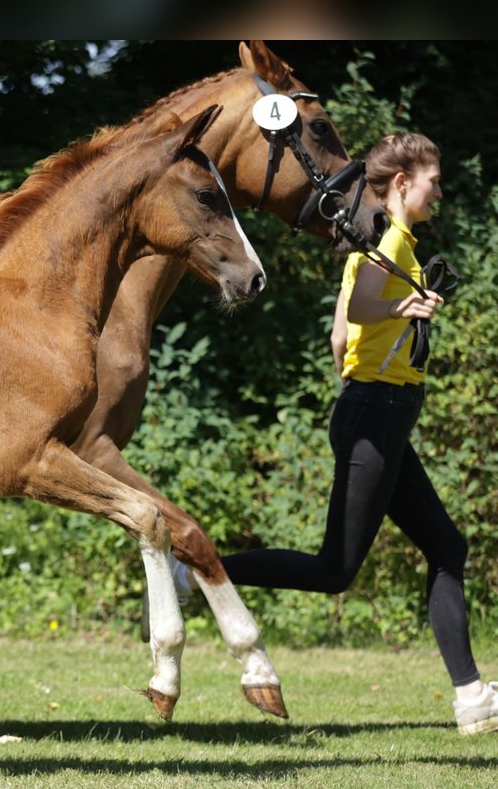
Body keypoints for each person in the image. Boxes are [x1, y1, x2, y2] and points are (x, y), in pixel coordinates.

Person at [212, 132, 495, 735]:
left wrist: (389, 332)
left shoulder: (369, 247)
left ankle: (472, 696)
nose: (439, 190)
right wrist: (404, 310)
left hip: (374, 412)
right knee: (335, 569)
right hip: (377, 414)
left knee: (447, 549)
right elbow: (367, 309)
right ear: (401, 184)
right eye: (433, 180)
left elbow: (340, 339)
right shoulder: (390, 241)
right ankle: (202, 571)